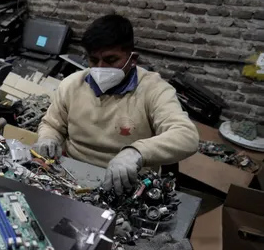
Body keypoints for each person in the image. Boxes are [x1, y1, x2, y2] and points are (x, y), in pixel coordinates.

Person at [33, 14, 199, 195]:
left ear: (132, 59)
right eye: (93, 60)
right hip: (72, 176)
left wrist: (135, 153)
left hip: (128, 183)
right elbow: (51, 124)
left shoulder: (154, 90)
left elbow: (186, 136)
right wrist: (48, 138)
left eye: (111, 60)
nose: (101, 68)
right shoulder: (72, 85)